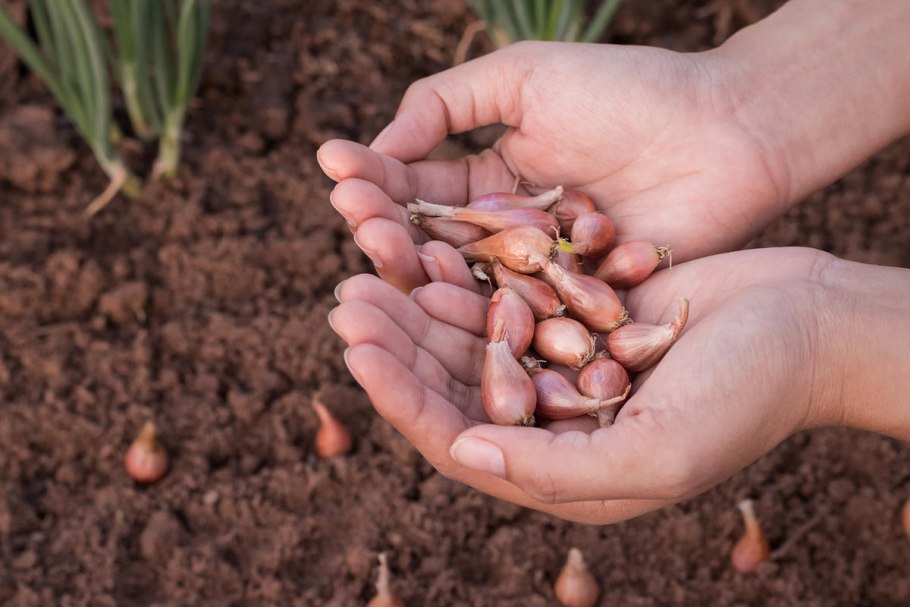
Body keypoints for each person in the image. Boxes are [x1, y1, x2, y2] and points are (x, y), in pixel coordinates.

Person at [315, 0, 910, 524]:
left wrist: (818, 341)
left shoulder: (554, 267)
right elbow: (561, 265)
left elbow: (563, 273)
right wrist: (734, 107)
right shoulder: (550, 259)